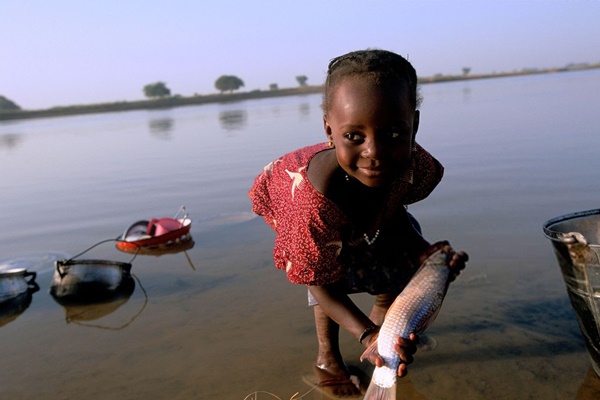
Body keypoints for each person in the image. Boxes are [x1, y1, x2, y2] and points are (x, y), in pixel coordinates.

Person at [249, 49, 468, 398]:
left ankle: (385, 318)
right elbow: (318, 282)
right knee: (327, 270)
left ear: (414, 125)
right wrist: (366, 335)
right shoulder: (309, 206)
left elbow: (392, 213)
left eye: (394, 134)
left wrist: (425, 254)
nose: (375, 153)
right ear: (329, 130)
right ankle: (327, 359)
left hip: (357, 204)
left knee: (396, 255)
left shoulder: (410, 164)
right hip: (295, 203)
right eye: (354, 136)